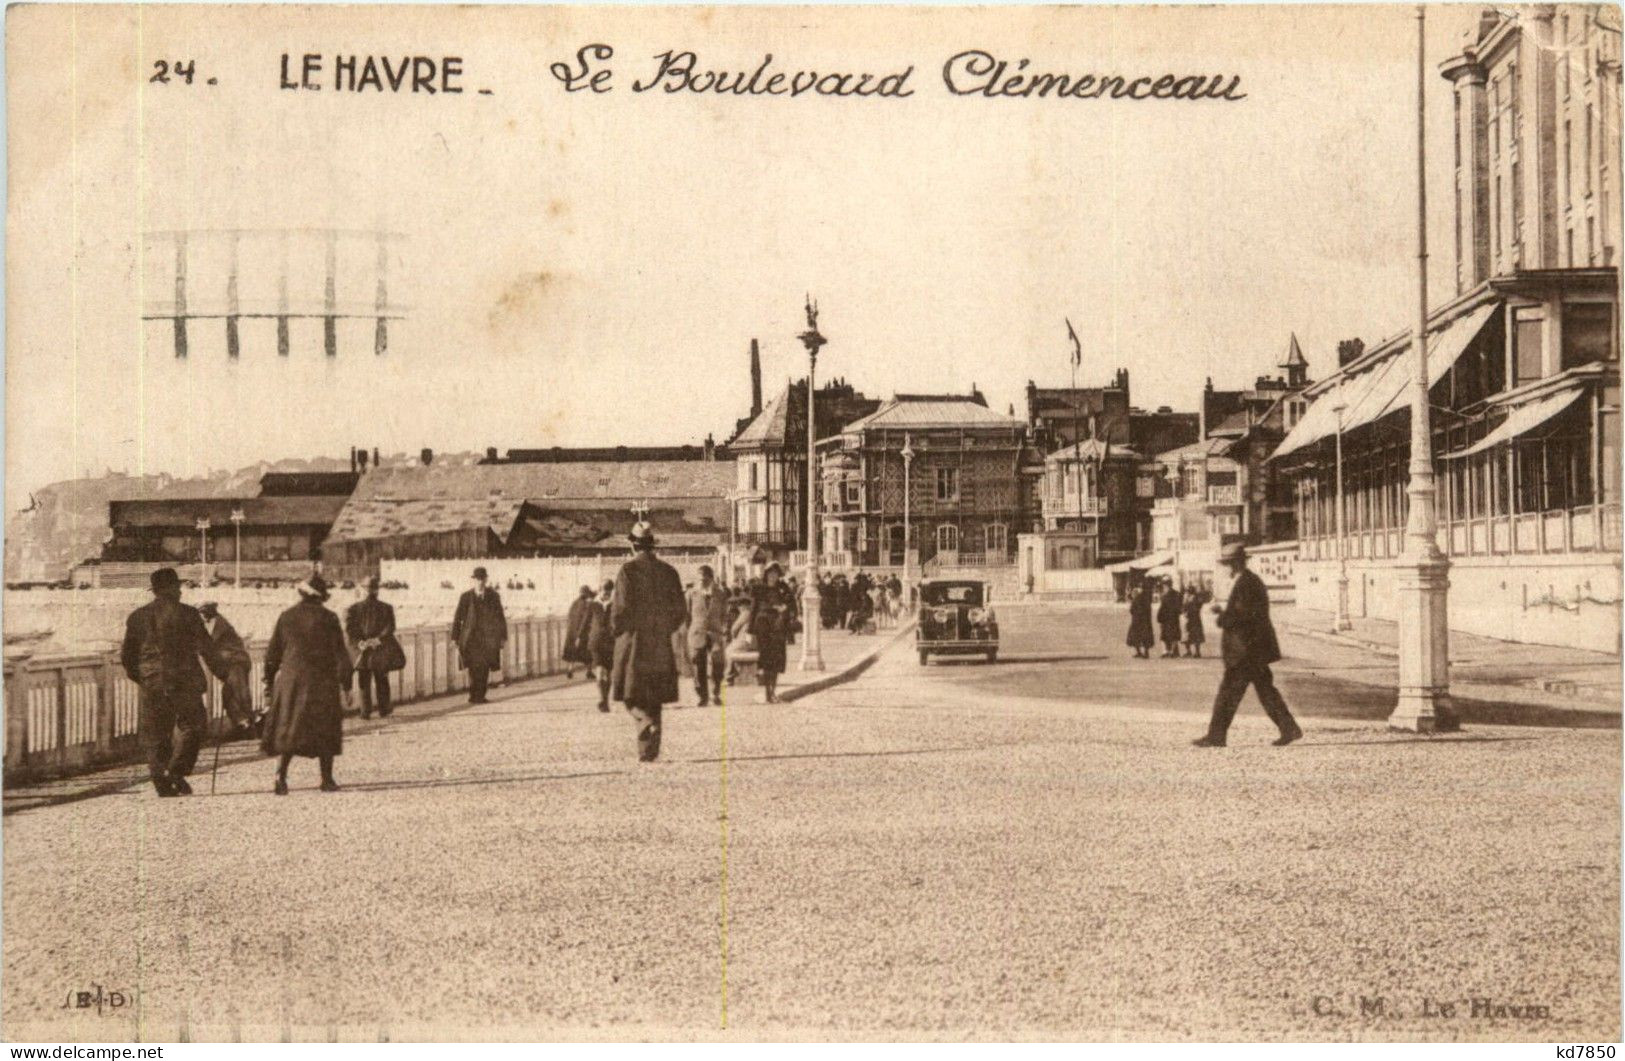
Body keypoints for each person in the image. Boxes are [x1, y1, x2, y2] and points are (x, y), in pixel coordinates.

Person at [120, 568, 231, 797]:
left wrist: (143, 677)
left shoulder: (138, 616)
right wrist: (224, 674)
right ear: (168, 588)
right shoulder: (188, 614)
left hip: (152, 682)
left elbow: (127, 657)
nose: (180, 591)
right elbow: (207, 649)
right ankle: (175, 771)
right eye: (177, 587)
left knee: (156, 733)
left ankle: (160, 778)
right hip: (184, 680)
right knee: (194, 725)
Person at [1194, 542, 1303, 748]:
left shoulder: (1246, 583)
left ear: (1235, 563)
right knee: (1265, 691)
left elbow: (1242, 616)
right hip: (1253, 650)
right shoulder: (1249, 581)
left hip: (1245, 651)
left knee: (1228, 694)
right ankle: (1289, 728)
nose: (1226, 568)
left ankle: (1216, 736)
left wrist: (1222, 616)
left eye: (1227, 564)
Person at [260, 576, 354, 793]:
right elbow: (340, 653)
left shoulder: (286, 616)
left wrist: (268, 682)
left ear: (302, 594)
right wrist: (347, 684)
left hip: (291, 681)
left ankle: (280, 776)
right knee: (325, 728)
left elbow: (272, 654)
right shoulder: (329, 618)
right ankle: (327, 779)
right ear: (320, 597)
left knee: (289, 728)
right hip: (322, 681)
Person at [610, 522, 687, 762]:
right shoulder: (669, 571)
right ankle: (649, 751)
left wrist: (617, 630)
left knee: (630, 694)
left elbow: (620, 609)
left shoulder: (628, 571)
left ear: (633, 545)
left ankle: (644, 723)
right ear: (652, 545)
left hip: (634, 641)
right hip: (660, 643)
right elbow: (680, 611)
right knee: (655, 697)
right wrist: (665, 628)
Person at [344, 575, 402, 719]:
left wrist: (361, 642)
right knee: (382, 679)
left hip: (363, 650)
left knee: (364, 681)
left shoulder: (353, 609)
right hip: (380, 650)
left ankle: (365, 711)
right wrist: (377, 640)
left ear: (363, 590)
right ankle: (384, 709)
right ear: (377, 590)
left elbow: (350, 630)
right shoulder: (386, 608)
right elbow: (390, 628)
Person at [198, 601, 257, 737]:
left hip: (234, 663)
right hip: (233, 663)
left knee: (236, 695)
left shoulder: (218, 624)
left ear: (208, 613)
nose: (201, 616)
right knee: (233, 695)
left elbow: (208, 644)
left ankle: (246, 726)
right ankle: (244, 726)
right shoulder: (216, 623)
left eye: (202, 613)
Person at [452, 566, 507, 704]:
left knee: (484, 667)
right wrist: (454, 637)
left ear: (486, 580)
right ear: (474, 580)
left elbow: (500, 617)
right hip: (470, 639)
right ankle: (474, 695)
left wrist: (502, 637)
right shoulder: (466, 597)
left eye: (482, 579)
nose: (480, 582)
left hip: (488, 639)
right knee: (472, 667)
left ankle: (480, 695)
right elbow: (458, 618)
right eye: (478, 579)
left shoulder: (493, 596)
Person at [683, 565, 729, 706]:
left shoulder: (720, 594)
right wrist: (690, 630)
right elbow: (686, 616)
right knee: (698, 665)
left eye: (705, 578)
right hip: (697, 633)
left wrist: (723, 629)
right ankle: (702, 696)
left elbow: (725, 614)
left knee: (718, 664)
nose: (702, 581)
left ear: (711, 578)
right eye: (700, 578)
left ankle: (715, 693)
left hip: (715, 633)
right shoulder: (691, 594)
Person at [750, 564, 794, 702]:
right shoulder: (759, 589)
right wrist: (750, 631)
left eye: (775, 573)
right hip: (763, 627)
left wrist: (785, 608)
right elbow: (754, 609)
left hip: (778, 627)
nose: (773, 576)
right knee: (766, 661)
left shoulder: (783, 588)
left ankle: (773, 691)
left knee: (777, 661)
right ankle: (767, 693)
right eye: (770, 573)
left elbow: (792, 606)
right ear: (766, 574)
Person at [587, 580, 615, 712]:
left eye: (609, 593)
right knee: (599, 670)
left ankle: (606, 699)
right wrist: (579, 638)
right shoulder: (592, 605)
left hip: (610, 642)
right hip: (596, 642)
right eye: (605, 592)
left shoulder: (614, 605)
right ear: (600, 591)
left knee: (608, 673)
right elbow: (585, 623)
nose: (607, 595)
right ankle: (600, 698)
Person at [562, 585, 596, 679]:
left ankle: (570, 670)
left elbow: (569, 617)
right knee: (587, 653)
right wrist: (580, 635)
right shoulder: (587, 605)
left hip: (571, 633)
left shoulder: (574, 603)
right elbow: (585, 621)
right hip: (582, 633)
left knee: (572, 653)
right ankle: (589, 671)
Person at [1126, 580, 1154, 659]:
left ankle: (1138, 652)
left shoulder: (1137, 598)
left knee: (1135, 637)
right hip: (1146, 621)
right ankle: (1146, 652)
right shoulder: (1148, 598)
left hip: (1137, 620)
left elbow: (1132, 609)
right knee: (1146, 637)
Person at [1157, 580, 1185, 658]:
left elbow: (1162, 608)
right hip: (1174, 618)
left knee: (1164, 635)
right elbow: (1180, 607)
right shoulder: (1177, 594)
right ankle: (1172, 651)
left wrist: (1159, 618)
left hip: (1166, 618)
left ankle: (1166, 651)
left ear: (1166, 586)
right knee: (1175, 635)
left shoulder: (1164, 596)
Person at [1183, 587, 1207, 658]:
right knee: (1190, 635)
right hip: (1193, 619)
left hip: (1193, 619)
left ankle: (1193, 651)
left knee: (1192, 634)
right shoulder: (1191, 599)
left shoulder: (1193, 599)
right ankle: (1193, 651)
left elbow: (1194, 607)